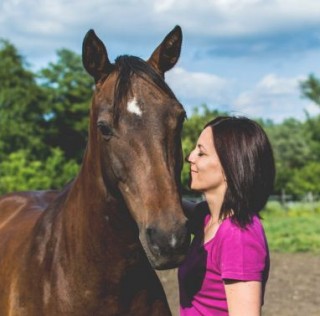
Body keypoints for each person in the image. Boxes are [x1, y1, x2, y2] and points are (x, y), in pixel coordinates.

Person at [179, 116, 275, 316]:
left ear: (229, 166)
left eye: (201, 153)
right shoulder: (208, 218)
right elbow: (178, 207)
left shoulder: (238, 236)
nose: (190, 157)